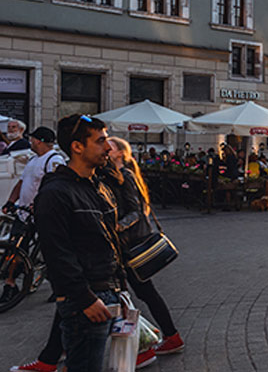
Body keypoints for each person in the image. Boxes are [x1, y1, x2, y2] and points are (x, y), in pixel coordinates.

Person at [35, 114, 123, 372]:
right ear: (77, 146)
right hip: (85, 301)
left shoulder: (96, 186)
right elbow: (57, 254)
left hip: (105, 294)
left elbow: (109, 240)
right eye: (101, 141)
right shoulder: (56, 193)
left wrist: (121, 288)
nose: (108, 147)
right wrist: (85, 299)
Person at [105, 137, 184, 358]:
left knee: (137, 293)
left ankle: (154, 340)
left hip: (129, 246)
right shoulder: (116, 176)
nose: (104, 150)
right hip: (124, 246)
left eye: (109, 148)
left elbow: (136, 212)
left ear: (120, 153)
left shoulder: (126, 177)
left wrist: (115, 226)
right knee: (142, 292)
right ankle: (167, 336)